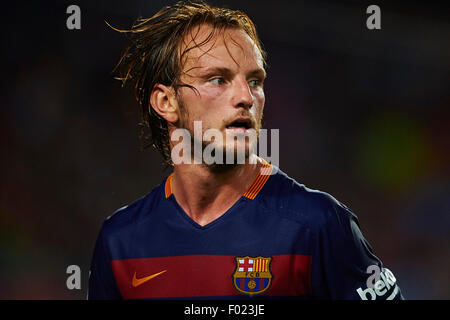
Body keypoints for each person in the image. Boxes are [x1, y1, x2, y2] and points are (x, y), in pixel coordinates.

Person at [88, 0, 404, 300]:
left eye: (254, 81)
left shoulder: (319, 225)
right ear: (166, 102)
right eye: (218, 79)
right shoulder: (120, 241)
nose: (246, 97)